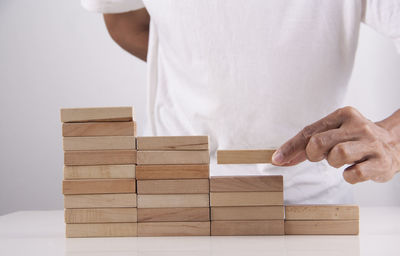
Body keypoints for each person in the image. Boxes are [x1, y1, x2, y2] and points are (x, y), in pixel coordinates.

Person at [81, 0, 400, 204]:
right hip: (172, 199)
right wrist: (215, 67)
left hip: (309, 206)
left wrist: (392, 141)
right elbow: (124, 20)